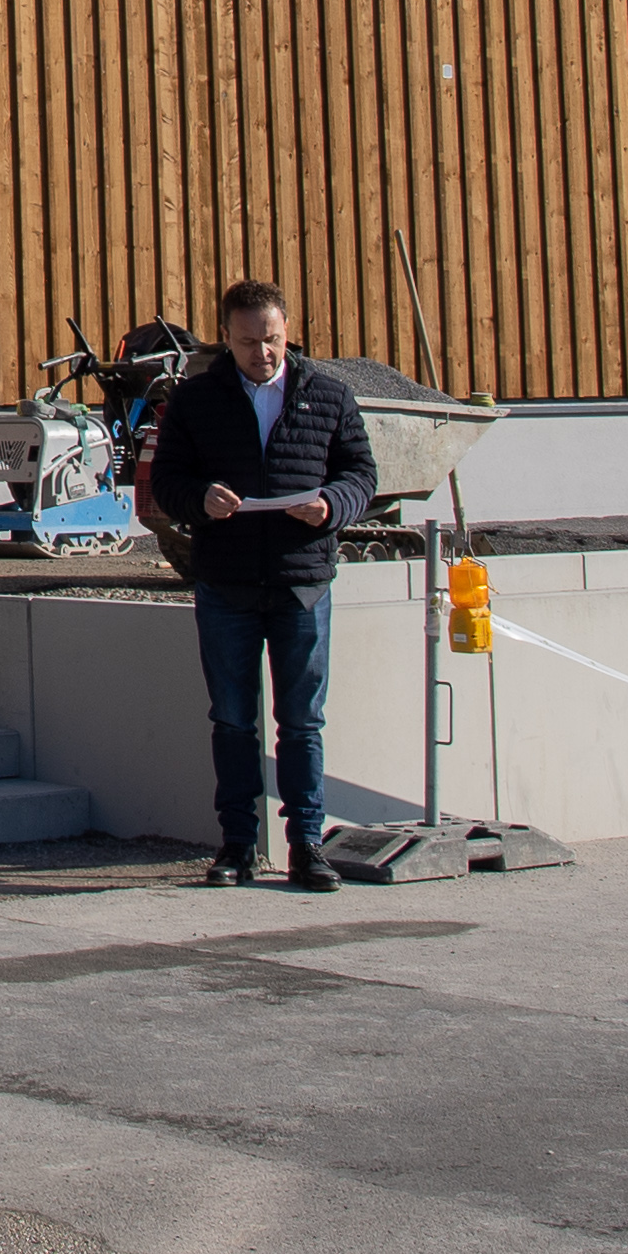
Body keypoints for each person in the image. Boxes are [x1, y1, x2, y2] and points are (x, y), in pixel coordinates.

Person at [138, 281, 375, 891]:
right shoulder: (195, 399)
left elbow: (360, 473)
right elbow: (167, 480)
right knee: (233, 720)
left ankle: (307, 846)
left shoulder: (328, 393)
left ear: (287, 330)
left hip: (303, 583)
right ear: (227, 338)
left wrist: (331, 506)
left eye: (271, 339)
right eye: (247, 343)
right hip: (227, 581)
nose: (262, 353)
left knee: (301, 723)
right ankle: (238, 846)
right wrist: (201, 501)